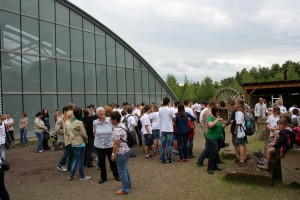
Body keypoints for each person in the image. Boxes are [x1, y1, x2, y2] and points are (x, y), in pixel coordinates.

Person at [93, 107, 119, 184]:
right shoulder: (95, 122)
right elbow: (94, 132)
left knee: (112, 160)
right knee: (101, 161)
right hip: (99, 145)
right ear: (97, 114)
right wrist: (96, 139)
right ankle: (103, 177)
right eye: (100, 112)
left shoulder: (110, 120)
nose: (102, 113)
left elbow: (115, 130)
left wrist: (114, 140)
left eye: (103, 111)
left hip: (109, 144)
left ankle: (116, 175)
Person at [110, 111, 132, 195]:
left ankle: (124, 189)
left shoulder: (116, 129)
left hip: (121, 152)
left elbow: (116, 144)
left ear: (115, 120)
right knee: (124, 169)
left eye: (111, 119)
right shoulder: (122, 125)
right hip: (127, 150)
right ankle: (128, 184)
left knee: (122, 171)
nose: (110, 121)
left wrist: (113, 154)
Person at [68, 107, 91, 181]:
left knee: (76, 159)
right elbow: (84, 134)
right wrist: (86, 139)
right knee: (80, 160)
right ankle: (82, 176)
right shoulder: (79, 122)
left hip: (73, 143)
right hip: (80, 143)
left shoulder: (71, 121)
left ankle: (71, 175)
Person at [159, 97, 176, 163]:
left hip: (163, 129)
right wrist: (173, 121)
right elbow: (174, 118)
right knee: (169, 145)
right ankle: (169, 158)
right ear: (169, 102)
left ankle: (162, 158)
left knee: (163, 145)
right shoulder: (170, 110)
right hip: (169, 129)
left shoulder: (160, 110)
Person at [56, 106, 71, 172]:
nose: (70, 112)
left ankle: (65, 165)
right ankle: (60, 164)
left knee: (67, 152)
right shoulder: (60, 120)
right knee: (67, 152)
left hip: (67, 138)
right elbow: (58, 130)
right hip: (63, 139)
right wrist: (66, 131)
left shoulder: (66, 119)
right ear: (65, 111)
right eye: (69, 111)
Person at [234, 98, 247, 167]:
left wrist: (235, 130)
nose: (235, 105)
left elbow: (238, 123)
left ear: (240, 105)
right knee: (244, 144)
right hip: (243, 131)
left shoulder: (239, 112)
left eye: (236, 104)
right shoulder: (242, 111)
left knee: (241, 145)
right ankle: (244, 157)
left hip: (240, 131)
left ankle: (241, 160)